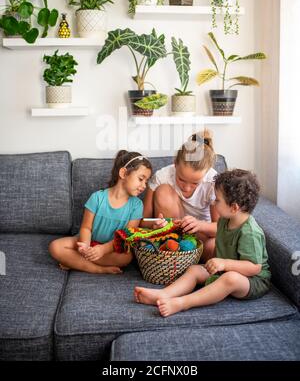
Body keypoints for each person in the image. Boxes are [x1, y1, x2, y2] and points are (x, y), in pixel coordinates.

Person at [134, 169, 271, 317]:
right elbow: (212, 231)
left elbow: (254, 267)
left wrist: (224, 264)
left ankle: (182, 303)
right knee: (195, 270)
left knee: (230, 278)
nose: (214, 202)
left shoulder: (250, 232)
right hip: (224, 271)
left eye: (217, 200)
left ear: (234, 207)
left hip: (251, 281)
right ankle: (163, 294)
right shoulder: (226, 219)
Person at [49, 150, 153, 275]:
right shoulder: (97, 198)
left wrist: (103, 250)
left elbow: (126, 237)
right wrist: (85, 247)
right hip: (88, 241)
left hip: (112, 248)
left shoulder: (137, 205)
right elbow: (86, 228)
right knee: (55, 247)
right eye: (141, 179)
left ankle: (74, 261)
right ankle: (98, 269)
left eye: (146, 182)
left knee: (126, 258)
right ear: (123, 173)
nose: (144, 185)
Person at [143, 130, 219, 261]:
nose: (187, 187)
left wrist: (199, 225)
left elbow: (221, 228)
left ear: (206, 172)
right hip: (172, 234)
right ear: (175, 164)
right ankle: (175, 252)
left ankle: (184, 260)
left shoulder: (213, 182)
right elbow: (143, 221)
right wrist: (155, 225)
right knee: (163, 191)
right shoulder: (162, 177)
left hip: (201, 234)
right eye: (181, 179)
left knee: (214, 246)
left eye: (195, 183)